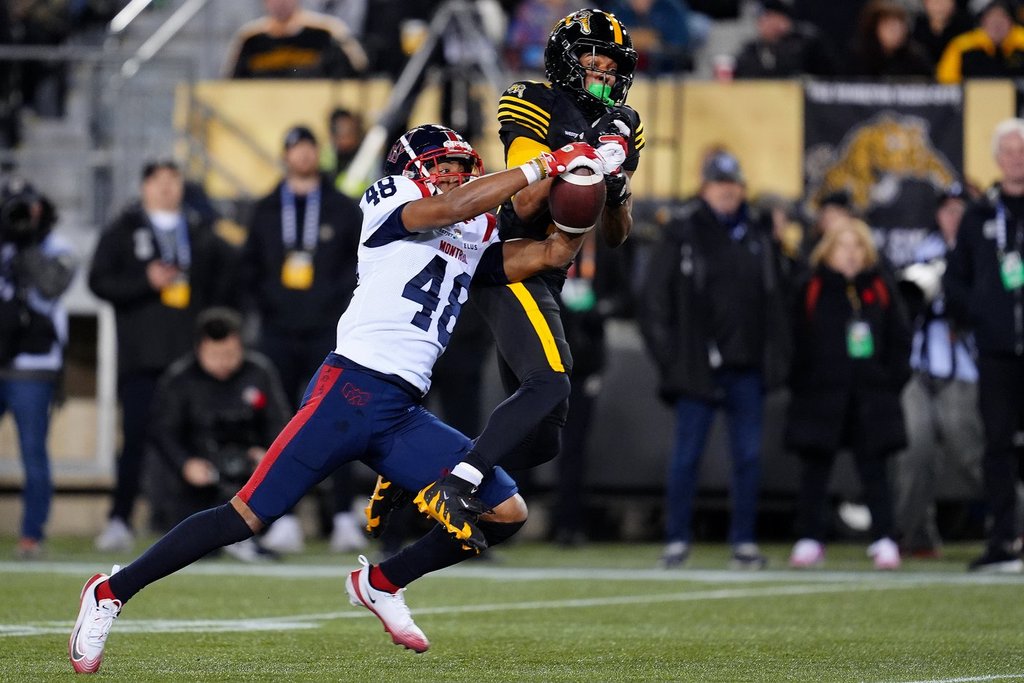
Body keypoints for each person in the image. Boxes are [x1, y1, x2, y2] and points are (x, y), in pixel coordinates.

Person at [67, 124, 604, 673]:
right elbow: (447, 209)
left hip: (402, 412)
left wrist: (592, 184)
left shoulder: (473, 231)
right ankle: (110, 591)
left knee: (505, 513)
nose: (454, 174)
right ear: (413, 168)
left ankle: (382, 582)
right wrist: (548, 163)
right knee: (247, 516)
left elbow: (550, 252)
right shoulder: (393, 198)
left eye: (461, 166)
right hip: (347, 391)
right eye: (442, 164)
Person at [405, 7, 644, 553]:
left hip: (551, 270)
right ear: (566, 60)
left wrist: (617, 187)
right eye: (593, 60)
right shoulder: (532, 99)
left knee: (541, 439)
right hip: (509, 258)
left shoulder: (624, 123)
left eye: (612, 65)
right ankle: (458, 483)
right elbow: (527, 196)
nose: (604, 73)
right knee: (551, 382)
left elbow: (615, 234)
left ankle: (410, 475)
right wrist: (577, 160)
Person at [638, 151, 792, 570]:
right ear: (705, 187)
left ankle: (743, 540)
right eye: (721, 184)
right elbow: (654, 302)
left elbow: (778, 299)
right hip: (697, 367)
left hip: (746, 365)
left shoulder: (758, 234)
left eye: (734, 184)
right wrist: (673, 361)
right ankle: (677, 538)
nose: (728, 191)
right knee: (687, 457)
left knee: (748, 457)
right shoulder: (683, 232)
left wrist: (774, 359)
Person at [89, 160, 237, 552]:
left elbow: (228, 279)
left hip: (191, 358)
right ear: (144, 186)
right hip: (142, 356)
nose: (168, 188)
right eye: (158, 180)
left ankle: (213, 525)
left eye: (174, 180)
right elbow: (98, 282)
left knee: (202, 440)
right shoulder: (124, 230)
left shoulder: (200, 232)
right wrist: (145, 282)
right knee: (135, 439)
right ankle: (120, 518)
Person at [237, 124, 364, 554]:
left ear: (317, 154)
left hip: (329, 331)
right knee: (282, 423)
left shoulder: (343, 208)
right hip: (277, 331)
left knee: (338, 417)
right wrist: (270, 305)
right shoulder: (266, 208)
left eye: (309, 148)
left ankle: (343, 515)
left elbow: (357, 265)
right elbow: (249, 268)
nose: (303, 156)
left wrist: (331, 305)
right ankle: (283, 516)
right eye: (296, 149)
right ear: (285, 155)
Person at [785, 219, 911, 571]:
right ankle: (809, 537)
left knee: (876, 471)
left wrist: (888, 380)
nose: (851, 254)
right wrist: (802, 380)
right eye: (843, 246)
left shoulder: (881, 287)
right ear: (828, 250)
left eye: (858, 246)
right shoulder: (810, 288)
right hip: (820, 394)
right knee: (815, 469)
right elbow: (793, 338)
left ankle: (885, 538)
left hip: (870, 396)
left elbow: (900, 340)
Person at [943, 117, 1024, 572]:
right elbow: (956, 279)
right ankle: (1003, 540)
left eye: (1022, 149)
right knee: (997, 445)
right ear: (997, 158)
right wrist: (979, 314)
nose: (1016, 157)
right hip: (996, 352)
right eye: (1009, 150)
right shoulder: (978, 216)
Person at [146, 307, 291, 561]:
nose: (222, 361)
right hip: (197, 482)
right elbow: (162, 431)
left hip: (250, 481)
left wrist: (267, 454)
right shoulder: (180, 379)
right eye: (214, 354)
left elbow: (280, 421)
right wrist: (186, 465)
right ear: (199, 349)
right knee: (194, 544)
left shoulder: (259, 372)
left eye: (230, 354)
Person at [894, 183, 983, 559]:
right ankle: (914, 533)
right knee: (914, 449)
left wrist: (956, 299)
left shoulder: (983, 253)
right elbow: (904, 305)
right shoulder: (921, 253)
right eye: (947, 210)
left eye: (960, 210)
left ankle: (1014, 522)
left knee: (971, 454)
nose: (952, 217)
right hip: (920, 366)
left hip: (964, 367)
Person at [0, 177, 75, 559]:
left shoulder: (55, 247)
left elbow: (53, 286)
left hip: (34, 363)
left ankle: (32, 535)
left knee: (33, 451)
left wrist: (27, 243)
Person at [223, 0, 368, 79]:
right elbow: (230, 83)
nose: (280, 3)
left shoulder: (327, 31)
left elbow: (359, 70)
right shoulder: (249, 38)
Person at [733, 0, 835, 79]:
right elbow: (741, 73)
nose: (764, 24)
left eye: (769, 17)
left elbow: (829, 72)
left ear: (783, 19)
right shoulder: (752, 49)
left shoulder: (806, 42)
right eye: (761, 19)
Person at [936, 0, 1024, 83]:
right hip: (973, 97)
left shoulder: (1021, 41)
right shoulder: (963, 46)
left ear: (1011, 22)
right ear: (982, 22)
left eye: (1002, 18)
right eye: (992, 19)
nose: (997, 24)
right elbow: (946, 83)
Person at [848, 0, 933, 80]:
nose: (896, 33)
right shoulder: (859, 56)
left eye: (899, 27)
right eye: (890, 27)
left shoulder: (916, 58)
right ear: (875, 28)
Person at [322, 108, 371, 196]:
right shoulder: (327, 155)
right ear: (332, 135)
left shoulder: (368, 156)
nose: (346, 137)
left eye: (349, 131)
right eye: (340, 130)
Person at [911, 0, 974, 68]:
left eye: (945, 2)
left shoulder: (966, 27)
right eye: (935, 2)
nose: (940, 7)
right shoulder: (916, 26)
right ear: (925, 3)